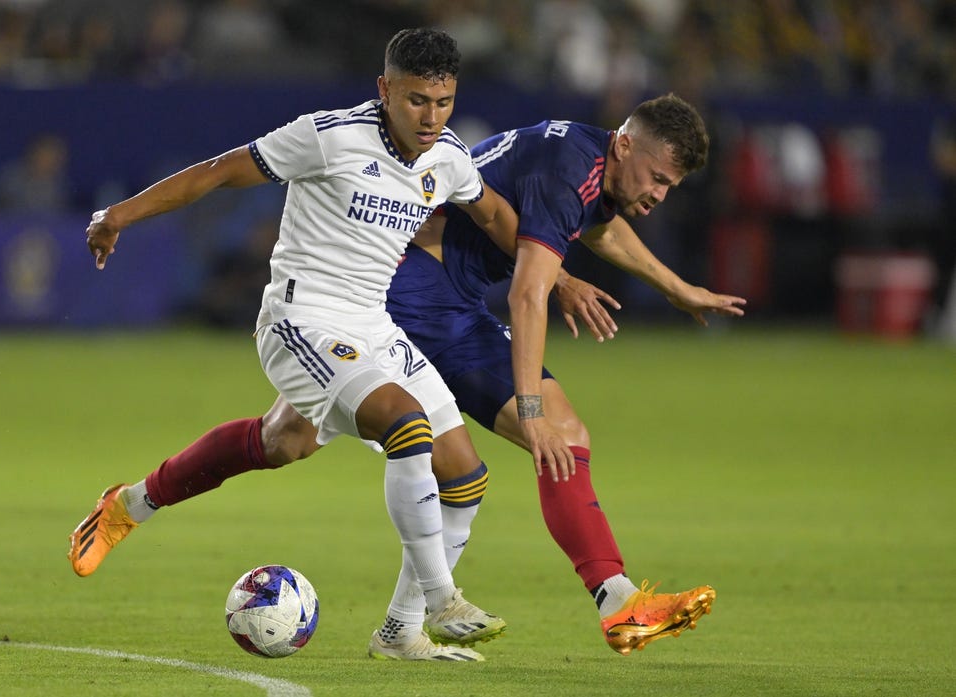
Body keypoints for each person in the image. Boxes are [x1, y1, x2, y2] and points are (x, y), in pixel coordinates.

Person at [69, 92, 746, 658]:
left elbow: (589, 225)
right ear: (626, 145)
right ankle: (601, 601)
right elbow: (525, 293)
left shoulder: (589, 162)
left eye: (669, 187)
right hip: (413, 294)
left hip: (436, 296)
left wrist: (673, 285)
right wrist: (530, 406)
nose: (658, 195)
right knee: (547, 435)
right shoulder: (565, 165)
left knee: (284, 438)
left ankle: (130, 504)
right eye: (658, 178)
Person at [69, 28, 519, 662]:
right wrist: (118, 214)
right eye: (417, 100)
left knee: (454, 475)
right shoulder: (328, 135)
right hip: (300, 320)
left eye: (442, 103)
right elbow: (219, 172)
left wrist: (561, 271)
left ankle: (399, 632)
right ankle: (444, 601)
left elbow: (495, 215)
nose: (431, 117)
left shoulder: (447, 156)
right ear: (385, 90)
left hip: (372, 328)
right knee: (406, 427)